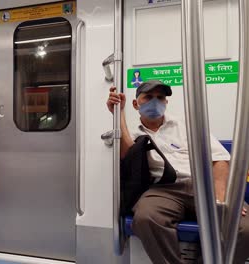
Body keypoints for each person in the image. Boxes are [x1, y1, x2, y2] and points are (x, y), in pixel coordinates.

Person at [107, 80, 249, 263]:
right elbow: (128, 155)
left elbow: (219, 159)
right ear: (136, 104)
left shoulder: (186, 126)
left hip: (203, 187)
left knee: (244, 228)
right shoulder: (133, 133)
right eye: (148, 97)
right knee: (146, 218)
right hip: (163, 190)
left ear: (166, 103)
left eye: (160, 98)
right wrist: (117, 113)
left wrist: (221, 199)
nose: (155, 102)